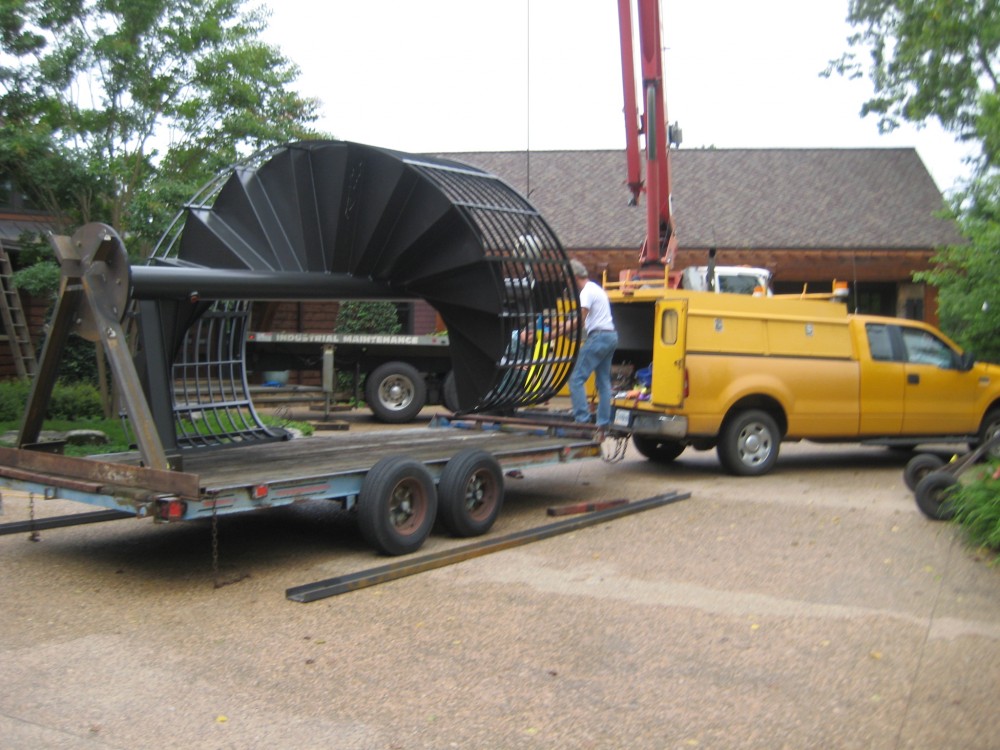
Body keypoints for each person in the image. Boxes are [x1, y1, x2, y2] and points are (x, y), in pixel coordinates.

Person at [566, 259, 618, 433]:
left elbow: (580, 320)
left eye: (568, 278)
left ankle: (582, 420)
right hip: (611, 336)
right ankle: (603, 423)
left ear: (574, 276)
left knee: (575, 378)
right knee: (603, 383)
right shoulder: (597, 288)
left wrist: (555, 333)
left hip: (599, 336)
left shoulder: (586, 292)